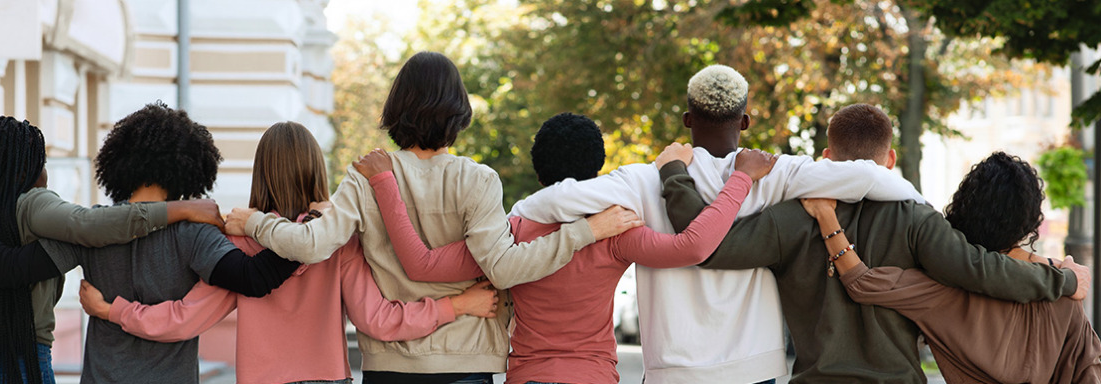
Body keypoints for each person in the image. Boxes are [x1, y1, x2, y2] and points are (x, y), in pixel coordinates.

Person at [223, 52, 639, 384]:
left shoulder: (366, 174)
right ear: (458, 112)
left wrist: (256, 222)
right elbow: (507, 268)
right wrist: (588, 230)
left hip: (391, 366)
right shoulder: (477, 179)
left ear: (396, 108)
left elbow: (311, 245)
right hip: (466, 360)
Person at [506, 66, 925, 383]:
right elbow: (867, 176)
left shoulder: (644, 178)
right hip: (754, 361)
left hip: (676, 366)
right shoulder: (778, 173)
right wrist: (921, 204)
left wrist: (513, 215)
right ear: (744, 121)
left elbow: (560, 198)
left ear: (688, 118)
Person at [660, 104, 1089, 383]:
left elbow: (707, 246)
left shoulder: (793, 215)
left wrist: (675, 174)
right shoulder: (916, 218)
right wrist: (1063, 280)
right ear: (891, 160)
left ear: (827, 158)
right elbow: (981, 271)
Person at [349, 112, 774, 384]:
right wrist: (741, 179)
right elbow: (694, 246)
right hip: (592, 377)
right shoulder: (615, 231)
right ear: (597, 171)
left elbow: (422, 264)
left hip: (527, 377)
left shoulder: (508, 231)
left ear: (538, 171)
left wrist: (384, 184)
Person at [76, 121, 501, 384]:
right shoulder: (338, 242)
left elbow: (183, 319)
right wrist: (457, 305)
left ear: (261, 173)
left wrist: (113, 311)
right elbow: (379, 320)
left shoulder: (241, 243)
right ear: (317, 168)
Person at [0, 103, 307, 383]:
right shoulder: (195, 232)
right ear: (192, 167)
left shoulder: (91, 232)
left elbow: (15, 269)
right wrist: (309, 236)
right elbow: (253, 278)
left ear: (118, 162)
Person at [800, 152, 1101, 383]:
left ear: (964, 208)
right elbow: (1088, 368)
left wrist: (825, 215)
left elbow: (860, 282)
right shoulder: (1064, 288)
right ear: (1030, 219)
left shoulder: (939, 291)